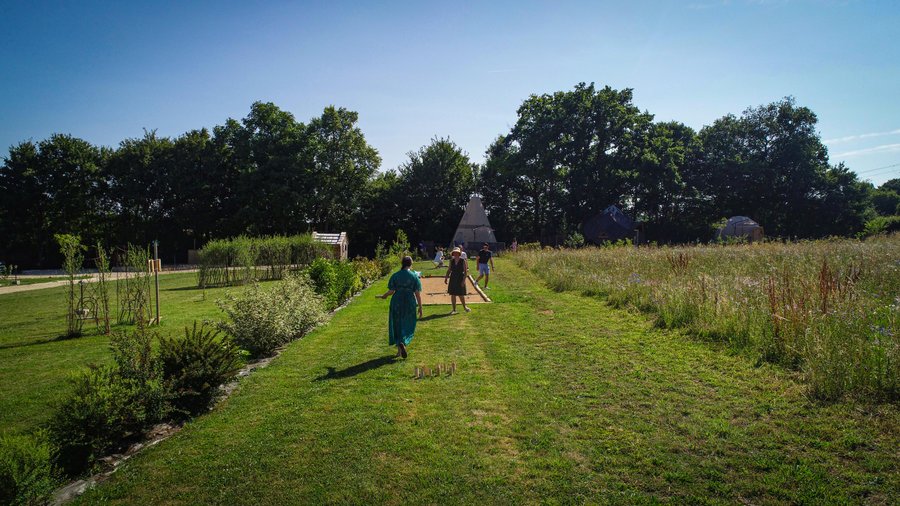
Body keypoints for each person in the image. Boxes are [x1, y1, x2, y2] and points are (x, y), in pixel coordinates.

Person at [379, 256, 423, 358]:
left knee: (397, 323)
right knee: (408, 323)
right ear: (411, 264)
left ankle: (399, 346)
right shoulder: (414, 276)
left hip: (397, 301)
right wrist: (420, 307)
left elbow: (391, 291)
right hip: (409, 302)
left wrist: (385, 295)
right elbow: (417, 294)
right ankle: (403, 342)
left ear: (402, 263)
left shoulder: (395, 275)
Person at [444, 247, 471, 314]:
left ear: (459, 253)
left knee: (460, 294)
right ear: (453, 253)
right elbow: (449, 270)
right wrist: (446, 278)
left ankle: (465, 307)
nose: (455, 253)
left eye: (457, 252)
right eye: (454, 252)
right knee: (453, 294)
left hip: (460, 278)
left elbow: (465, 272)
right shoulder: (451, 260)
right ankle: (454, 310)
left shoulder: (463, 260)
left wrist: (463, 281)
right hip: (453, 278)